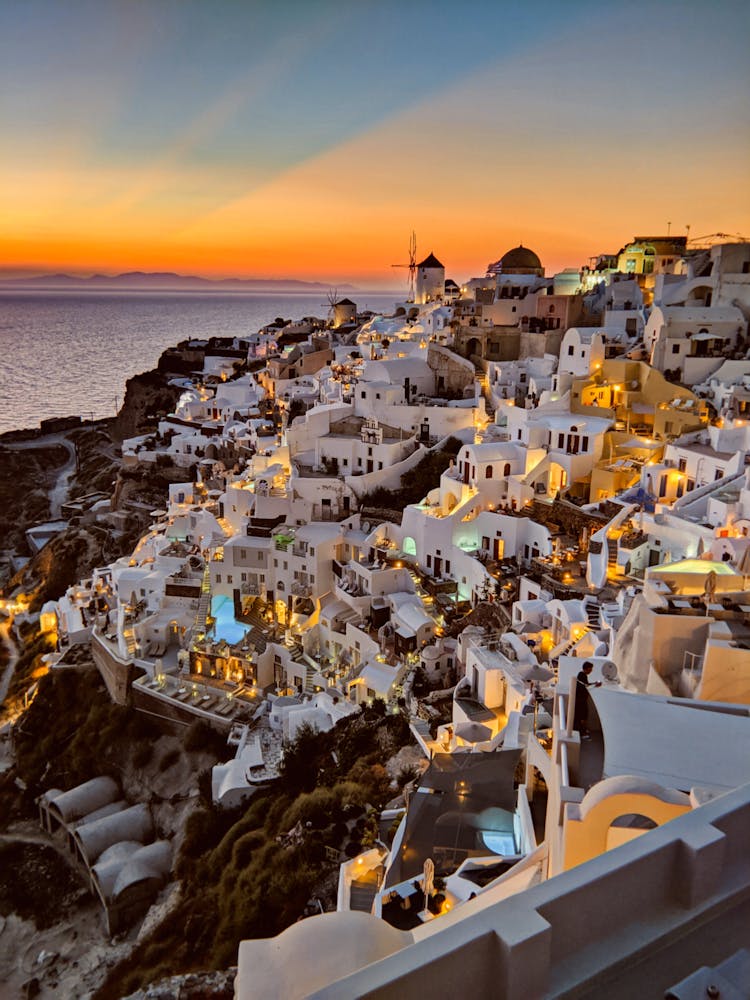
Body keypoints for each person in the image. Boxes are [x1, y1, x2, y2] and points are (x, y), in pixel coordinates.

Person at [574, 661, 601, 740]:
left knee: (583, 716)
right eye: (590, 669)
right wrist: (595, 684)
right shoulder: (581, 675)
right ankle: (582, 733)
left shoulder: (583, 675)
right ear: (587, 668)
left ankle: (583, 731)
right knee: (582, 717)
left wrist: (594, 683)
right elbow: (585, 686)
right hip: (580, 701)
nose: (591, 670)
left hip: (581, 700)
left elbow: (585, 685)